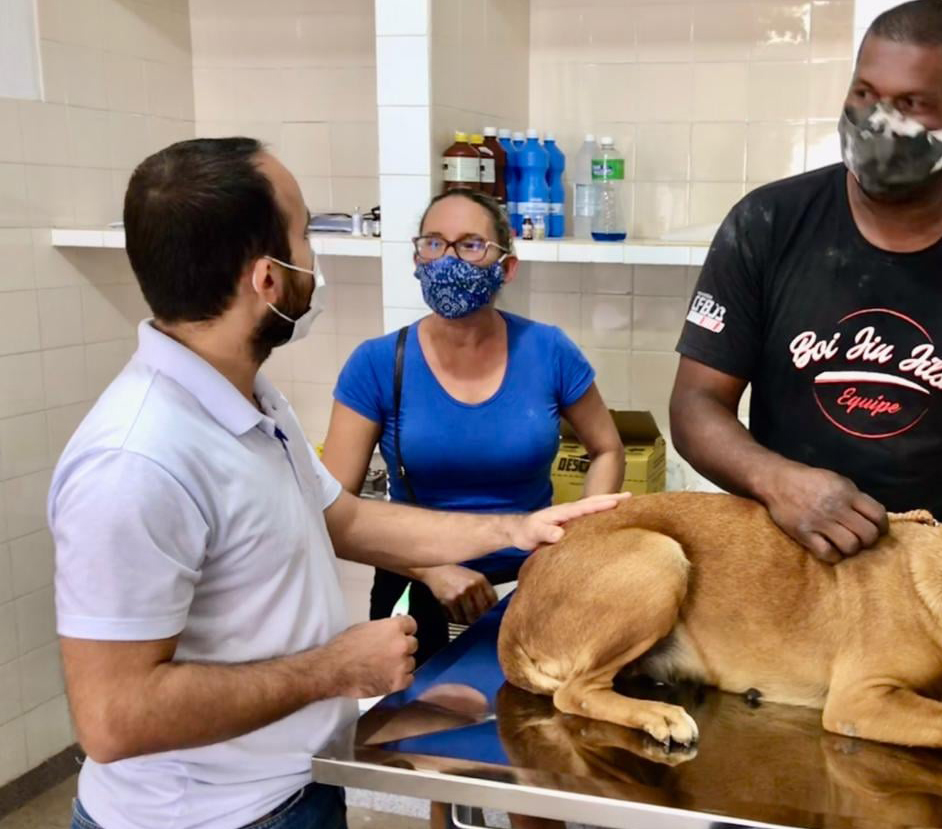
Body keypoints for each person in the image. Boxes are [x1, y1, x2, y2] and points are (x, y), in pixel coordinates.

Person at [48, 137, 626, 829]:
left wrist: (517, 529)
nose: (315, 260)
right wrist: (335, 668)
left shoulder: (253, 404)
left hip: (296, 789)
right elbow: (112, 719)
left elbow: (344, 519)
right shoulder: (135, 460)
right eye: (304, 236)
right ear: (268, 279)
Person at [671, 0, 942, 564]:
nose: (878, 122)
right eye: (865, 93)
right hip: (789, 562)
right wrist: (778, 481)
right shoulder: (766, 225)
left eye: (912, 104)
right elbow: (695, 405)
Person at [323, 189, 624, 662]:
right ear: (417, 259)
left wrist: (574, 549)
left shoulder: (548, 350)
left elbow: (607, 449)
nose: (448, 259)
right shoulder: (377, 363)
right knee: (418, 707)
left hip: (531, 582)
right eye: (433, 243)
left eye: (470, 244)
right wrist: (432, 570)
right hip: (418, 586)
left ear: (507, 266)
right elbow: (332, 511)